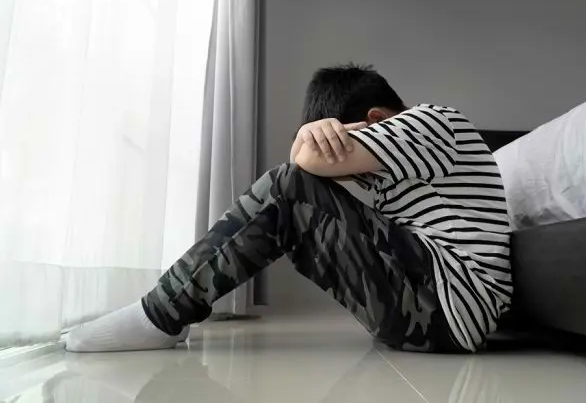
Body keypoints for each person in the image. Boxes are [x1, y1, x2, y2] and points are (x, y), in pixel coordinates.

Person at [65, 64, 512, 354]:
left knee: (287, 187)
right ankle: (170, 308)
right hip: (438, 309)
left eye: (339, 137)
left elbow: (302, 168)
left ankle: (162, 313)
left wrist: (310, 140)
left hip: (450, 307)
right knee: (293, 187)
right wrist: (310, 145)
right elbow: (308, 170)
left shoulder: (434, 121)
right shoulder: (400, 171)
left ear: (377, 121)